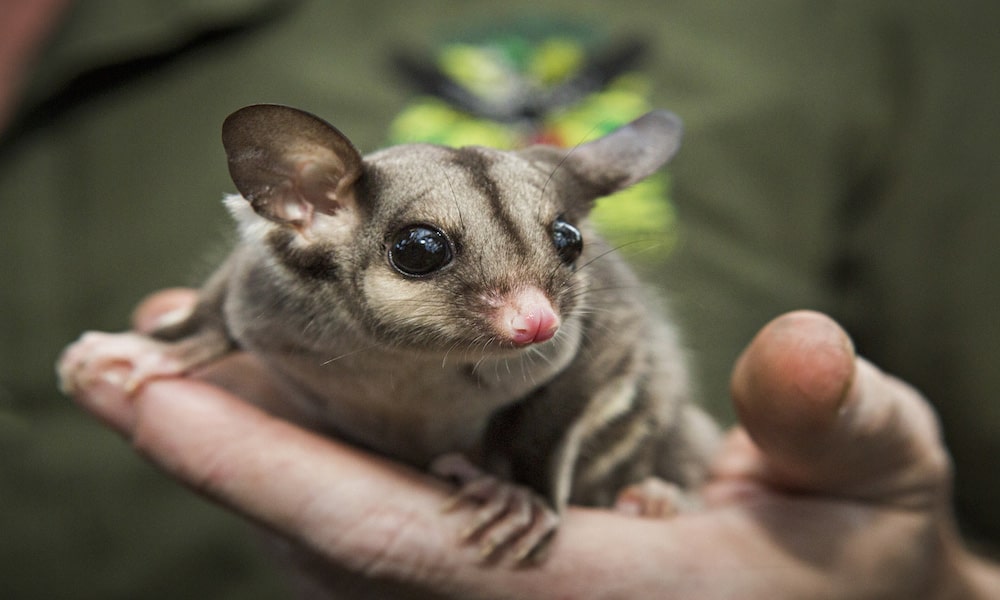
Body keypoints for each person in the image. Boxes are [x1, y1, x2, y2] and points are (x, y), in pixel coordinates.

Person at [3, 0, 998, 597]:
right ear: (302, 209)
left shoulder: (853, 30)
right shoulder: (287, 256)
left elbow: (596, 348)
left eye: (561, 250)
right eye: (429, 251)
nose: (533, 316)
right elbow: (247, 282)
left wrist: (925, 588)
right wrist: (181, 343)